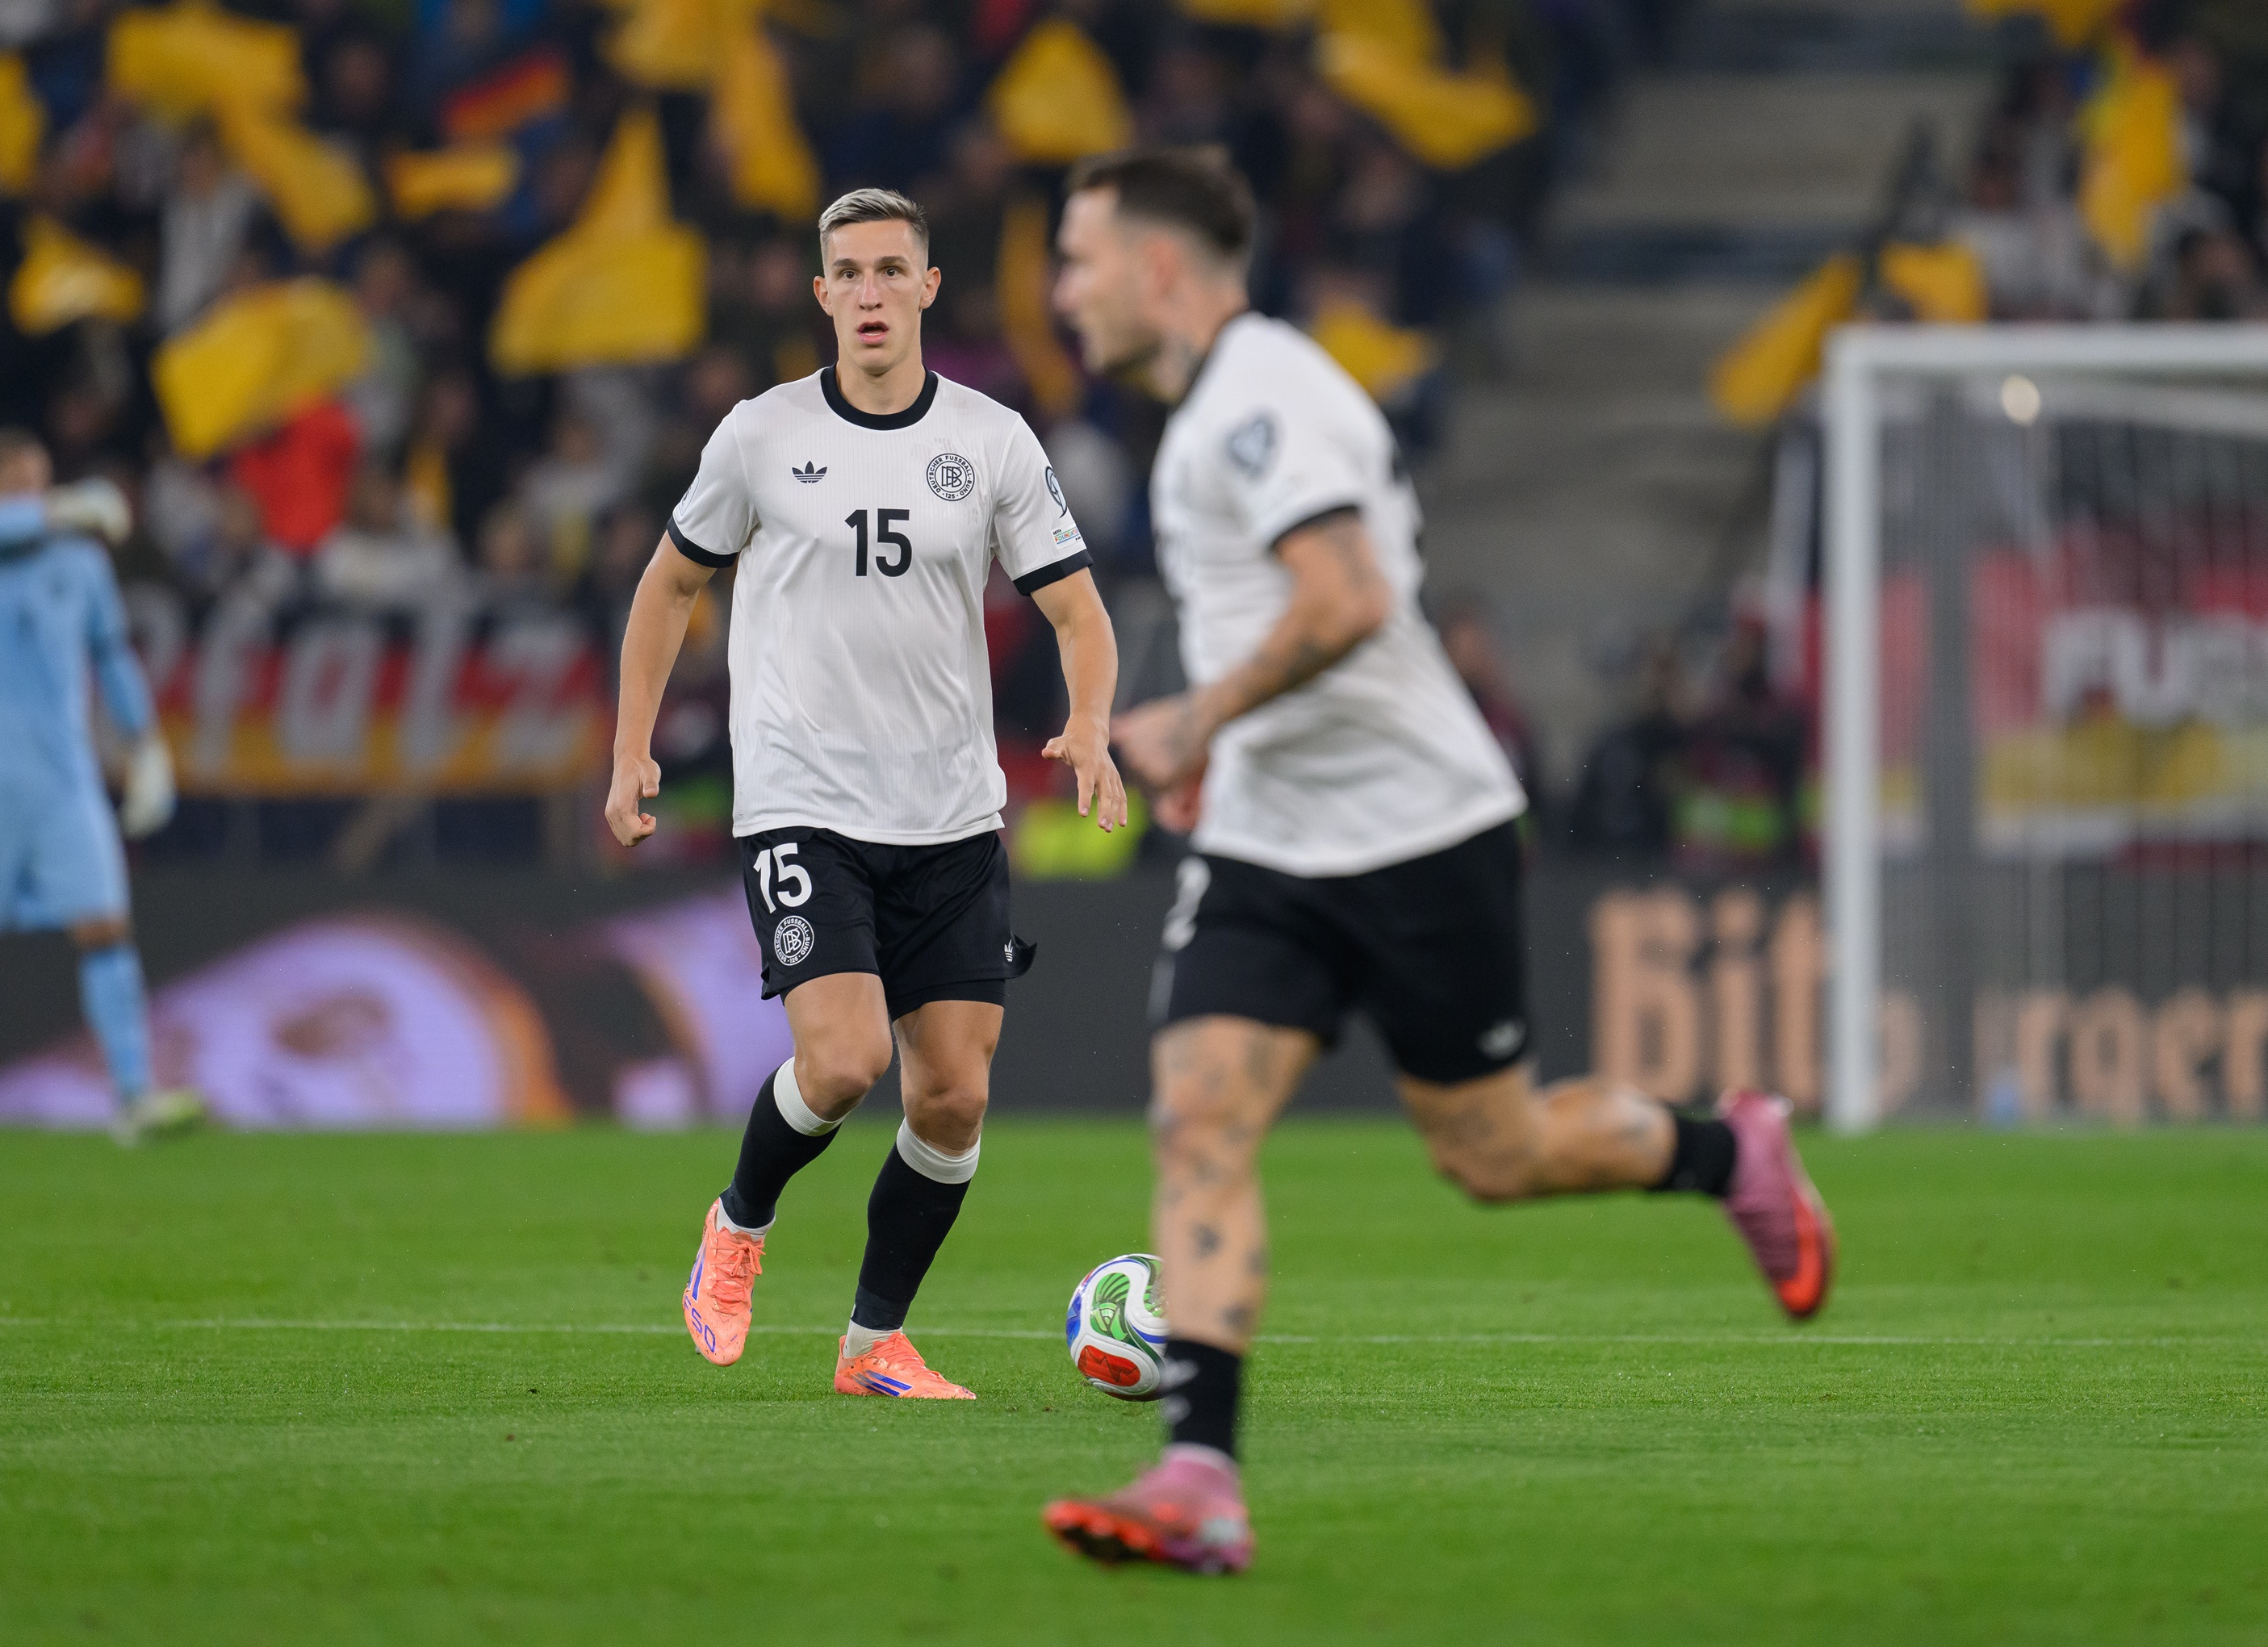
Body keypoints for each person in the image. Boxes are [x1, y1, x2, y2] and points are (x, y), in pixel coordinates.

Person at [1041, 146, 1835, 1574]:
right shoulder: (1212, 410)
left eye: (1078, 259)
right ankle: (1199, 1477)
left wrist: (1197, 717)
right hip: (1270, 842)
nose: (1060, 291)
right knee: (1200, 1119)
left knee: (1495, 1153)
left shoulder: (1263, 396)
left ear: (1157, 269)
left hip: (1417, 829)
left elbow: (1346, 599)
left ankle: (1731, 1152)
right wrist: (1227, 745)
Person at [606, 187, 1127, 1401]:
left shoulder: (992, 440)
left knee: (952, 1096)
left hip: (950, 814)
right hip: (804, 802)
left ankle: (871, 1344)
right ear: (821, 294)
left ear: (930, 287)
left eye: (893, 269)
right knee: (841, 1062)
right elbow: (668, 586)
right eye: (849, 272)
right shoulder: (760, 435)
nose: (872, 292)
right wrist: (631, 747)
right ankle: (739, 1222)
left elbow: (1077, 610)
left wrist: (1092, 722)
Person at [0, 428, 206, 1152]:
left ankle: (133, 1096)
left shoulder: (80, 562)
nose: (35, 499)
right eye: (17, 484)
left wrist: (144, 745)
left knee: (105, 926)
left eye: (40, 484)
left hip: (64, 775)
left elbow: (110, 653)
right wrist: (64, 508)